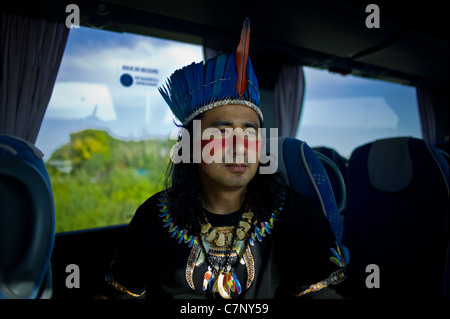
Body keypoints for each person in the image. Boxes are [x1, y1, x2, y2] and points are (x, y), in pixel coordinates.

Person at [97, 19, 346, 299]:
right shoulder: (154, 217)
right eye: (222, 132)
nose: (240, 146)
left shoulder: (297, 216)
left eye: (250, 133)